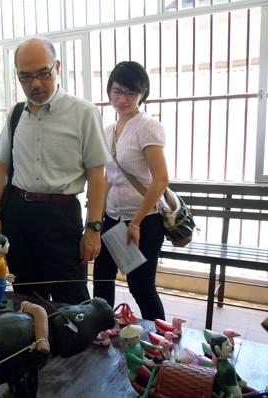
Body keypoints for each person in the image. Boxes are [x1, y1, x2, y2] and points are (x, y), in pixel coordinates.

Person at [0, 36, 110, 304]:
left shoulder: (83, 113)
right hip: (18, 215)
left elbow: (97, 177)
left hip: (60, 217)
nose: (36, 84)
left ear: (57, 67)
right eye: (26, 77)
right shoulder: (16, 114)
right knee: (25, 296)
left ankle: (72, 346)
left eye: (43, 73)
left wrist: (94, 228)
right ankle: (35, 346)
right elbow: (1, 167)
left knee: (72, 300)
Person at [93, 61, 168, 321]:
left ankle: (161, 338)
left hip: (144, 222)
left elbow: (161, 179)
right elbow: (108, 179)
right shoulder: (109, 130)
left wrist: (135, 223)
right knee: (102, 279)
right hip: (114, 219)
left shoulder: (147, 126)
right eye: (116, 91)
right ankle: (103, 330)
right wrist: (95, 219)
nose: (122, 99)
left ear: (143, 93)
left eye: (130, 93)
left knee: (141, 286)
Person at [211, 333, 247, 398]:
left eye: (229, 343)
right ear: (218, 349)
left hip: (236, 385)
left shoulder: (228, 361)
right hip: (232, 390)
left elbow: (233, 372)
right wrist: (228, 393)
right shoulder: (222, 368)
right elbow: (221, 383)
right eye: (227, 344)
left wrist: (240, 380)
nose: (231, 346)